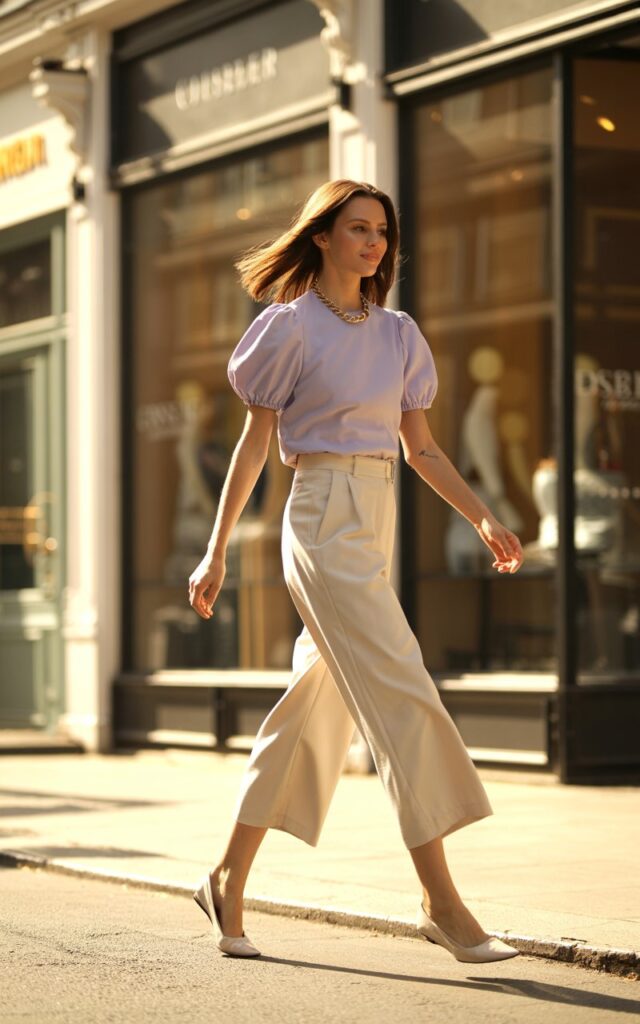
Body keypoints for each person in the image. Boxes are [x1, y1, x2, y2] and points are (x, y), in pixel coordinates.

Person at [188, 179, 524, 964]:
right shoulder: (289, 328)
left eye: (382, 231)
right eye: (358, 228)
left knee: (316, 703)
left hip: (378, 513)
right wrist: (217, 548)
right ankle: (443, 902)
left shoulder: (400, 334)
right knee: (401, 685)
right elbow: (252, 448)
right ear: (322, 237)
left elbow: (424, 447)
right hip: (319, 512)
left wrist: (479, 514)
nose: (373, 243)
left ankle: (227, 876)